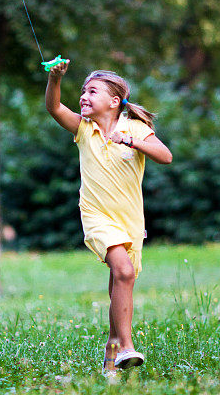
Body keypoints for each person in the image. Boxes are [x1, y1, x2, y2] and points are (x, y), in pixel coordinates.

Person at [45, 61, 173, 376]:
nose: (83, 97)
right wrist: (54, 78)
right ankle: (127, 348)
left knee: (121, 280)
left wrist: (129, 140)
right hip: (97, 215)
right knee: (124, 271)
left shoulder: (136, 128)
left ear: (114, 102)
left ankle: (110, 356)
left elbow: (165, 156)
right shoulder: (83, 129)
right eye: (83, 92)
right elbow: (53, 107)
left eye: (92, 91)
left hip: (129, 219)